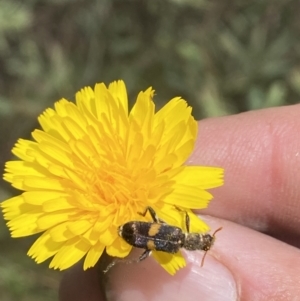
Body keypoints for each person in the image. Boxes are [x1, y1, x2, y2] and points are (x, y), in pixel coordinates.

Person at [59, 105, 300, 301]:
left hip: (134, 232)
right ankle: (124, 263)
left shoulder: (175, 234)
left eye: (202, 239)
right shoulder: (175, 243)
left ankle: (123, 264)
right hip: (134, 234)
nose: (201, 238)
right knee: (139, 258)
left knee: (140, 250)